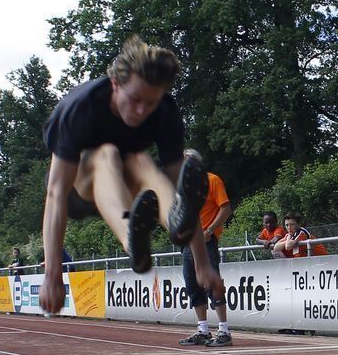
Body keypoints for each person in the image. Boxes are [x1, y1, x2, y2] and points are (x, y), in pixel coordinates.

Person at [39, 35, 222, 314]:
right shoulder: (82, 108)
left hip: (125, 185)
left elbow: (183, 191)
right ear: (115, 84)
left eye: (150, 104)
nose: (141, 111)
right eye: (135, 99)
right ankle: (131, 239)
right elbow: (55, 195)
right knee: (107, 153)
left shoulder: (164, 112)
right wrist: (52, 275)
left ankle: (170, 220)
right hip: (78, 188)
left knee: (140, 160)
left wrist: (202, 265)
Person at [179, 170, 233, 347]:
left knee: (212, 283)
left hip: (205, 240)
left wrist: (209, 231)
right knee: (192, 284)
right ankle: (203, 330)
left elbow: (225, 209)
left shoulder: (212, 180)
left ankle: (224, 331)